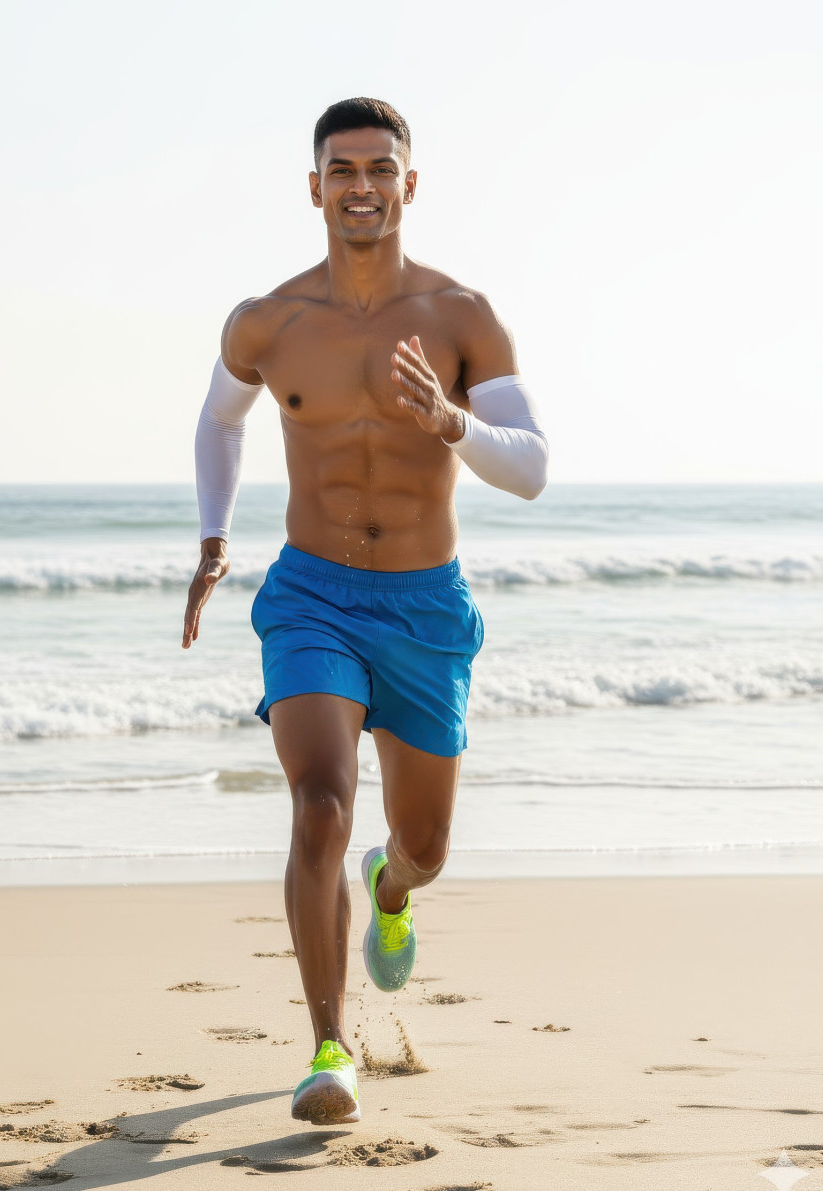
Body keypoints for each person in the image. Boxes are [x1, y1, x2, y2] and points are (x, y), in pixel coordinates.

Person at [182, 97, 548, 1126]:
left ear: (408, 185)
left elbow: (533, 469)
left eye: (380, 168)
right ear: (315, 188)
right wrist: (216, 539)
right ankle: (330, 1046)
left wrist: (450, 419)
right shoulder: (269, 321)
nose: (361, 185)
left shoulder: (463, 316)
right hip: (312, 596)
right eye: (341, 169)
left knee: (422, 843)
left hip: (426, 605)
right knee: (320, 802)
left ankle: (392, 888)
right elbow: (220, 420)